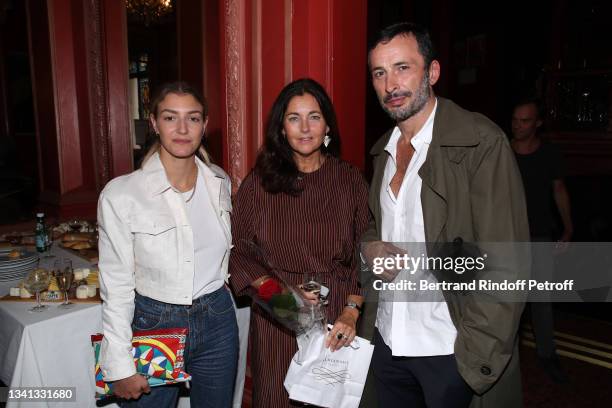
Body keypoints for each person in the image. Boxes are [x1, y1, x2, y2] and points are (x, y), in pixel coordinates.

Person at [358, 23, 530, 408]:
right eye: (379, 73)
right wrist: (370, 247)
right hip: (387, 343)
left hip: (448, 351)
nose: (391, 85)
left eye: (403, 68)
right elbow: (376, 223)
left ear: (432, 72)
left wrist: (473, 360)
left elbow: (508, 262)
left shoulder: (479, 142)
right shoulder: (381, 152)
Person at [229, 78, 370, 407]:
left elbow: (366, 255)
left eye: (314, 117)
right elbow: (239, 253)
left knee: (328, 400)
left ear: (327, 126)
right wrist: (283, 301)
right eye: (294, 118)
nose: (305, 128)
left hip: (336, 318)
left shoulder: (349, 181)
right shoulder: (259, 184)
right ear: (281, 128)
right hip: (278, 320)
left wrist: (351, 313)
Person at [97, 81, 238, 407]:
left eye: (192, 118)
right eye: (171, 117)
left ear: (204, 125)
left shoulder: (219, 181)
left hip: (217, 317)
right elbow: (116, 286)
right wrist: (119, 365)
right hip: (154, 321)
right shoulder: (121, 195)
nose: (182, 128)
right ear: (154, 123)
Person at [511, 98, 572, 383]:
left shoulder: (548, 154)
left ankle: (547, 355)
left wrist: (568, 229)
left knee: (541, 300)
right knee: (508, 300)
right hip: (507, 239)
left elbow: (558, 189)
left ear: (537, 124)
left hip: (539, 236)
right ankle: (504, 358)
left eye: (525, 121)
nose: (518, 125)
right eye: (515, 120)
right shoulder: (503, 151)